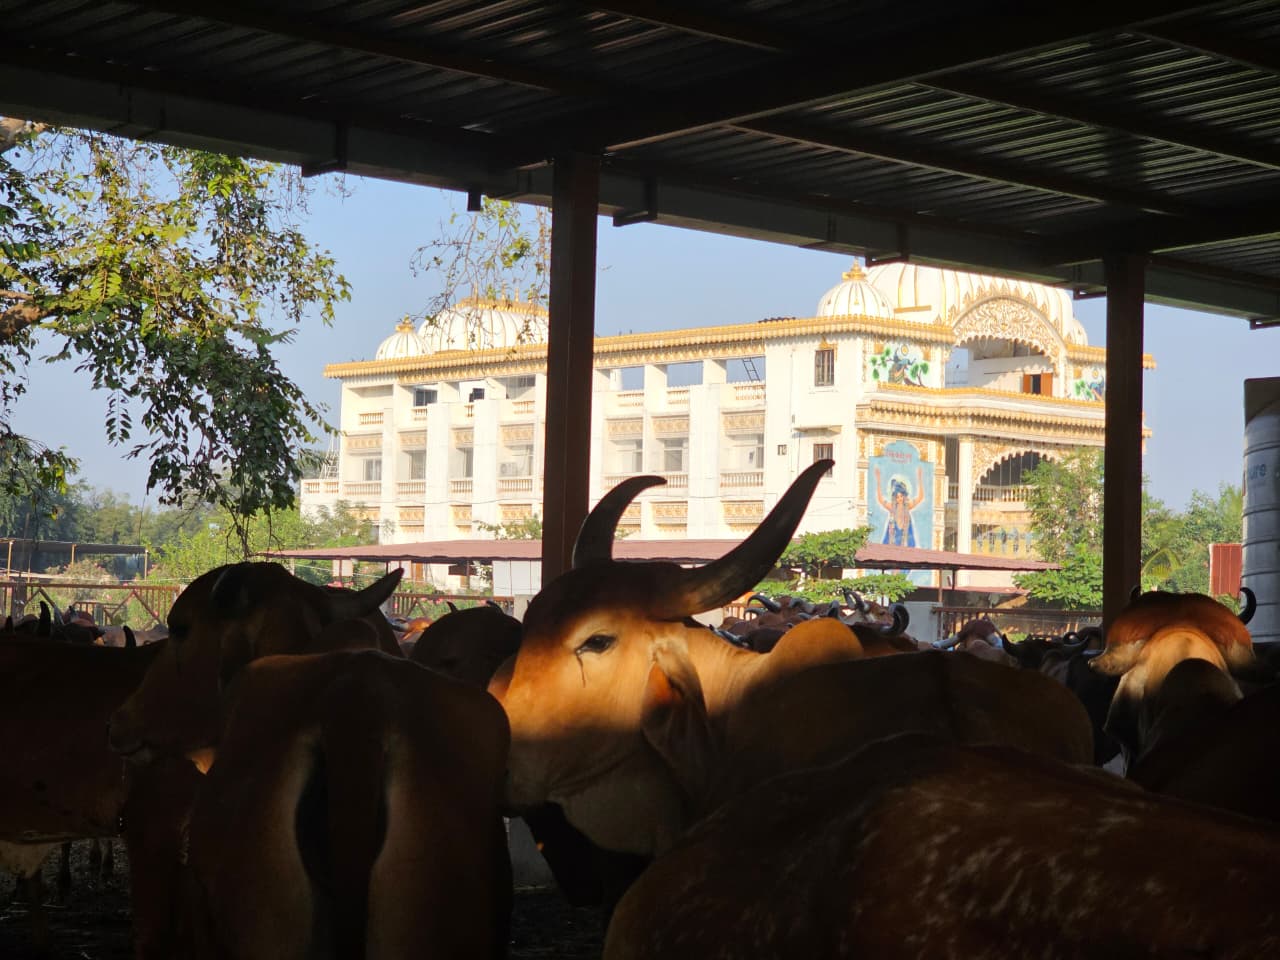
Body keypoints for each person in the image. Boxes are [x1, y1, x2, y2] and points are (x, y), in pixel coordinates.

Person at [875, 465, 925, 547]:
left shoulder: (908, 506)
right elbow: (880, 499)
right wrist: (878, 480)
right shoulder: (892, 507)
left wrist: (919, 478)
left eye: (901, 496)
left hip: (906, 543)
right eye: (897, 497)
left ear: (904, 496)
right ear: (895, 498)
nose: (900, 499)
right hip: (892, 543)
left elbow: (920, 497)